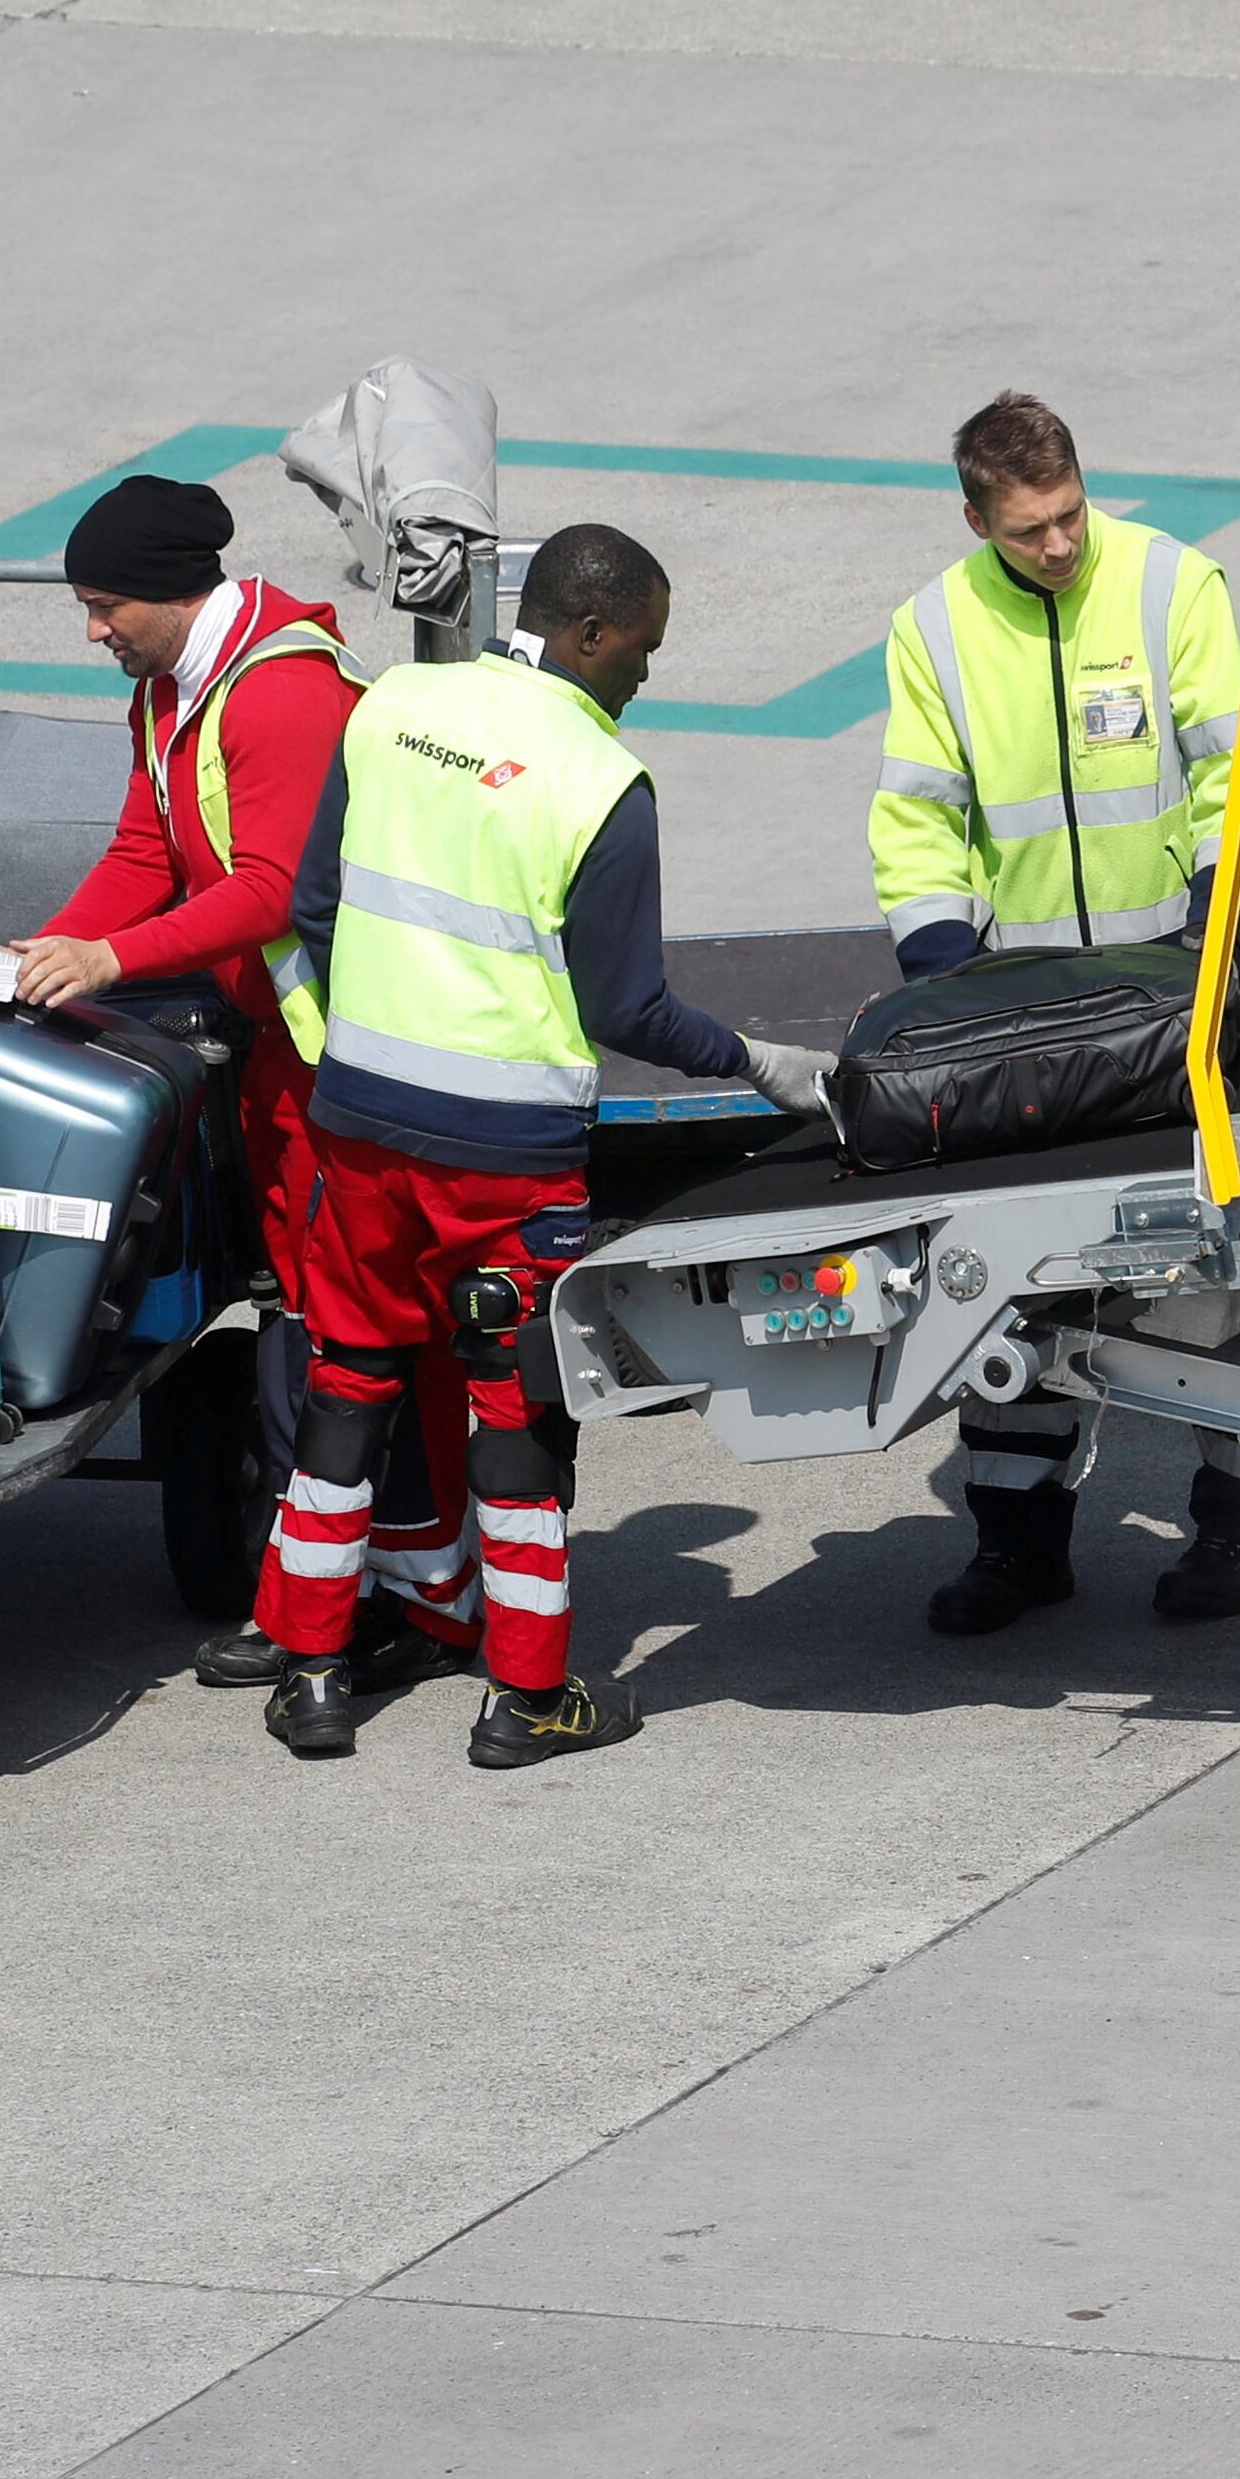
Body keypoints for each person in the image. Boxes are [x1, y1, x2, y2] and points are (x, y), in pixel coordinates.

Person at [252, 522, 835, 1765]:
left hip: (356, 1125)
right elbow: (628, 1009)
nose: (643, 675)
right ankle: (526, 1695)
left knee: (347, 1383)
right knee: (510, 1414)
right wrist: (757, 1064)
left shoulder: (396, 702)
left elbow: (311, 909)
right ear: (587, 630)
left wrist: (357, 1048)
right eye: (641, 648)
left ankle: (313, 1669)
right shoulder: (600, 783)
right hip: (503, 1159)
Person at [11, 476, 481, 1699]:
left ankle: (419, 1596)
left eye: (105, 605)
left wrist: (111, 959)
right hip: (283, 1065)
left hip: (348, 1071)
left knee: (362, 1335)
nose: (93, 629)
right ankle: (328, 1586)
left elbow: (273, 886)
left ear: (173, 593)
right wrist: (27, 966)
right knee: (312, 1331)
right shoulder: (171, 691)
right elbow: (141, 851)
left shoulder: (279, 693)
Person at [869, 390, 1240, 1637]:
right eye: (1026, 530)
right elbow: (918, 818)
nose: (1056, 545)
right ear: (975, 516)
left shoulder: (1170, 585)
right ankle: (1017, 1543)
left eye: (1067, 516)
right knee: (1016, 1278)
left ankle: (1232, 1524)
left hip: (1175, 976)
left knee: (1214, 1263)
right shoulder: (932, 629)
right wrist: (947, 980)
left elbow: (1234, 763)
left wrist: (1223, 927)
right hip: (1027, 1011)